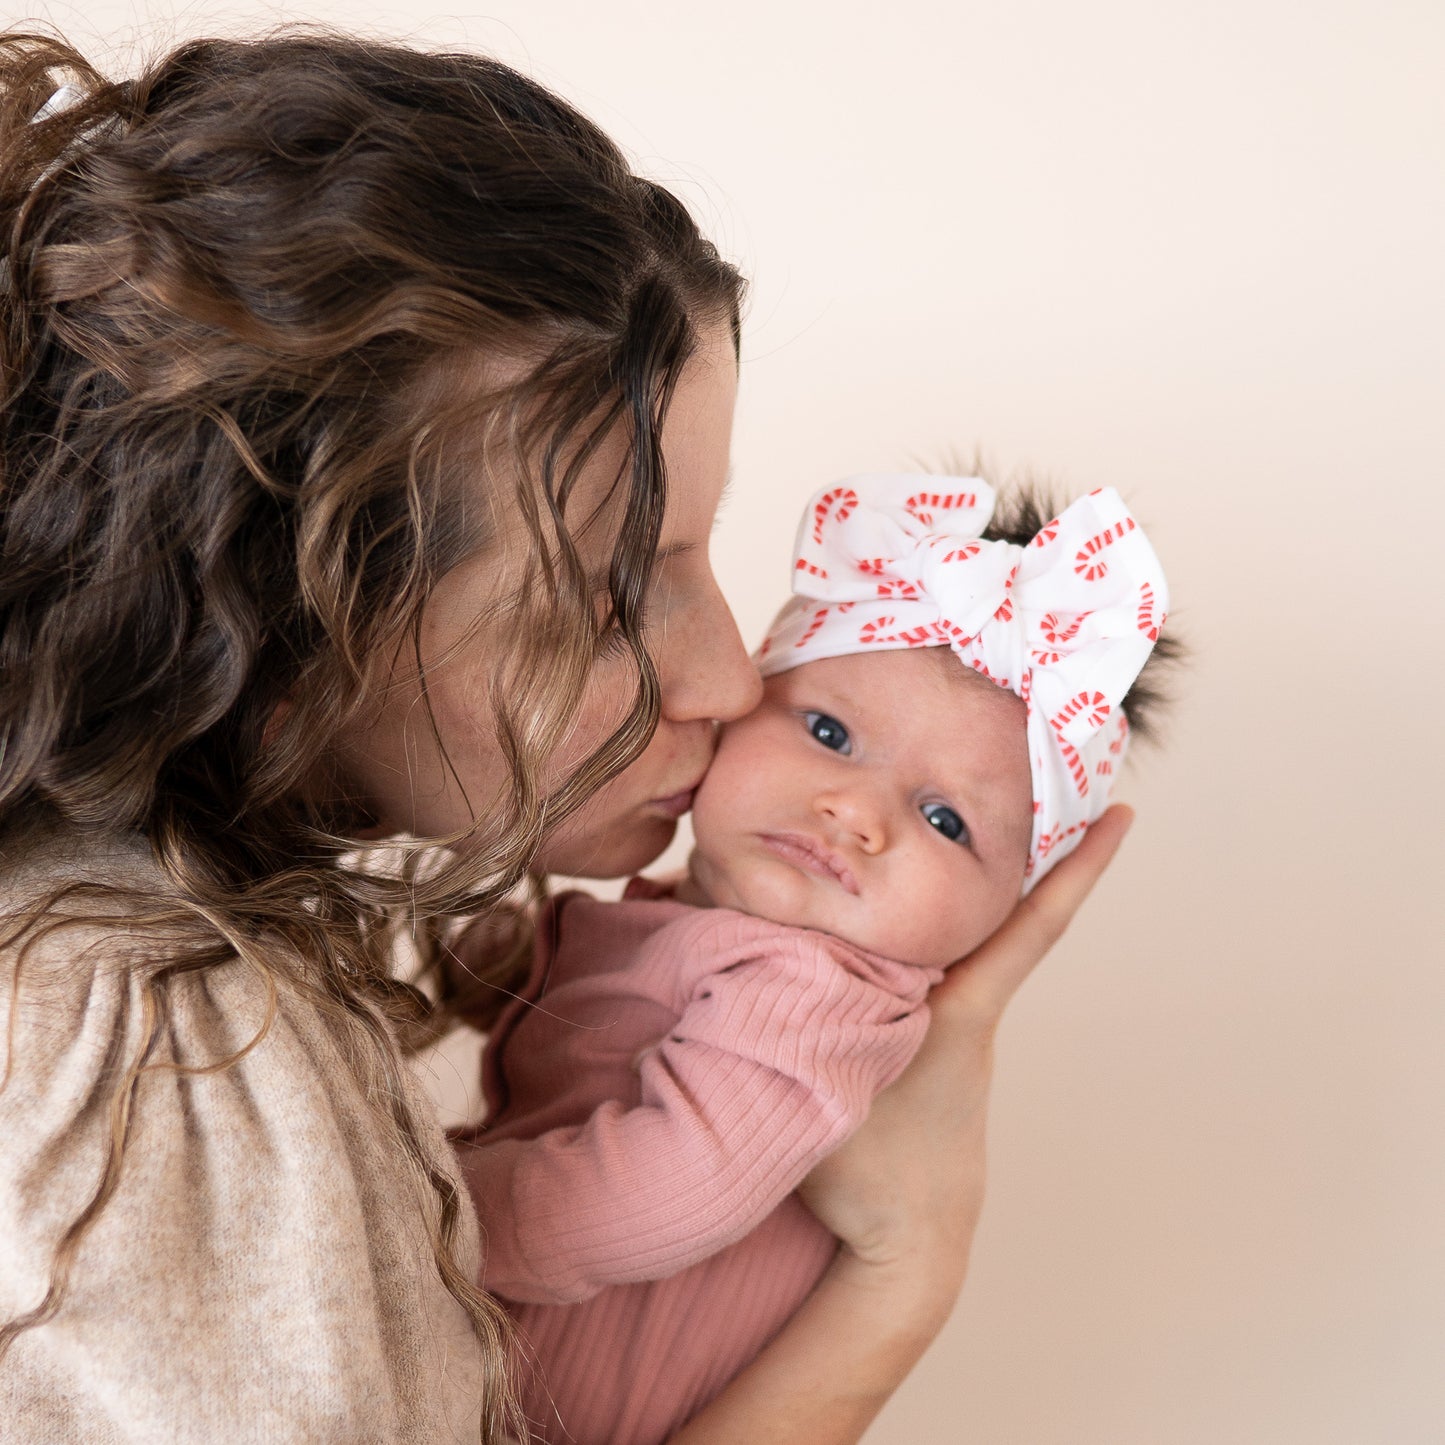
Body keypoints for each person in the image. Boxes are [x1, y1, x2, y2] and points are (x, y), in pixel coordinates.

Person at [0, 27, 1135, 1445]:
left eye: (705, 555)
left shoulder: (187, 947)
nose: (728, 677)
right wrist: (902, 1276)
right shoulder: (154, 1048)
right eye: (611, 598)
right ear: (293, 636)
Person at [453, 475, 1173, 1443]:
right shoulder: (718, 931)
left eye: (945, 819)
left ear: (1006, 912)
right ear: (738, 704)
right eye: (829, 732)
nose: (856, 812)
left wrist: (431, 1217)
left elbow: (676, 1182)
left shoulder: (816, 991)